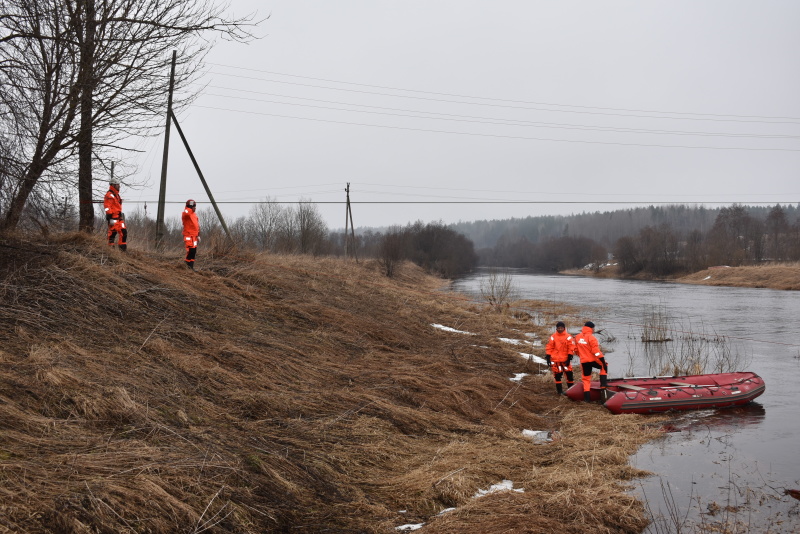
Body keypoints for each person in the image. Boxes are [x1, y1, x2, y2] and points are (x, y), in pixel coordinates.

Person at [575, 321, 608, 402]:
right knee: (604, 365)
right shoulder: (591, 337)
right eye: (594, 328)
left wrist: (581, 356)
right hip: (593, 360)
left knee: (586, 379)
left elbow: (575, 349)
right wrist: (602, 359)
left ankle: (587, 399)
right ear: (592, 328)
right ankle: (603, 386)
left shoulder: (577, 337)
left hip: (584, 361)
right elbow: (595, 351)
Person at [545, 321, 576, 395]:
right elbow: (549, 347)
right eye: (558, 328)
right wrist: (548, 357)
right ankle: (560, 392)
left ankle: (571, 392)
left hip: (565, 360)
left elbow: (571, 347)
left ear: (564, 328)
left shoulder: (568, 337)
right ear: (556, 328)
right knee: (557, 376)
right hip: (555, 360)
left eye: (561, 328)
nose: (560, 329)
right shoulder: (553, 337)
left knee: (569, 376)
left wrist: (569, 357)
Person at [103, 178, 127, 252]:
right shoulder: (109, 195)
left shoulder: (116, 195)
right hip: (113, 218)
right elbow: (107, 206)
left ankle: (122, 250)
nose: (119, 186)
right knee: (112, 234)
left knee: (124, 232)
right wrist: (109, 215)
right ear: (113, 185)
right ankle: (110, 250)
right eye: (117, 184)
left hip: (119, 218)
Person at [181, 199, 200, 270]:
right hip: (188, 235)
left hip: (194, 236)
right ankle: (187, 266)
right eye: (194, 206)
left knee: (194, 251)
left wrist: (198, 235)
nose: (195, 208)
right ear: (191, 206)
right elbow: (186, 212)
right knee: (190, 251)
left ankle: (191, 267)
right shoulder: (186, 213)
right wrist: (189, 206)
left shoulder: (194, 215)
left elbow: (197, 225)